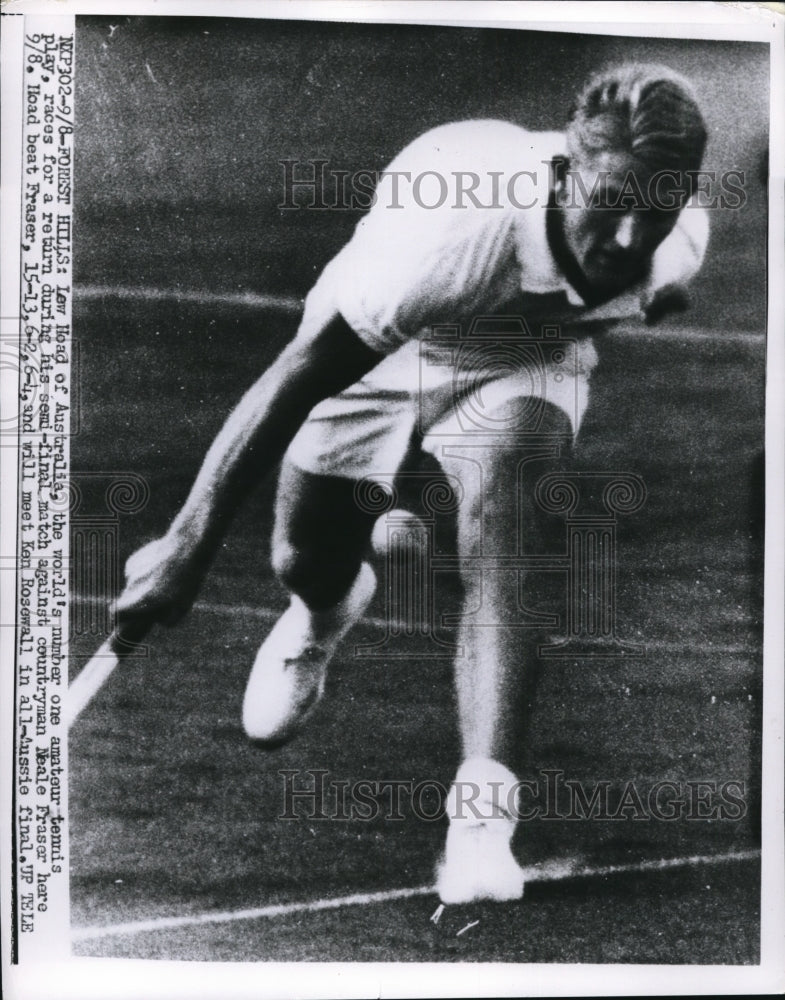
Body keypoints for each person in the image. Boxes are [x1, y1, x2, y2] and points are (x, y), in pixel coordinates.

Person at [115, 64, 709, 905]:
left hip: (523, 356)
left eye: (653, 212)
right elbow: (299, 376)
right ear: (562, 172)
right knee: (304, 557)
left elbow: (652, 271)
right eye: (608, 203)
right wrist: (186, 545)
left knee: (510, 522)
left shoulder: (676, 237)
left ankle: (481, 827)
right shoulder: (446, 237)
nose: (623, 238)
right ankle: (325, 607)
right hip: (390, 343)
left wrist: (654, 285)